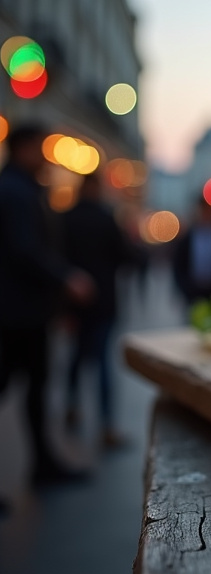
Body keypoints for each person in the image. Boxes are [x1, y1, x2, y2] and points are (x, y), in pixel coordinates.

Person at [0, 124, 94, 485]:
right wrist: (66, 278)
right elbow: (25, 250)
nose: (46, 156)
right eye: (41, 148)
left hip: (23, 311)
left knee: (36, 390)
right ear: (23, 148)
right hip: (16, 313)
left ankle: (43, 464)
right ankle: (43, 465)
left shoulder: (21, 189)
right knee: (25, 387)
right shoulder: (15, 192)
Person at [61, 172, 134, 447]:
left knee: (76, 357)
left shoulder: (66, 218)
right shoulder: (106, 218)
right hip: (104, 302)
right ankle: (106, 424)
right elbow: (125, 256)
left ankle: (72, 405)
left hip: (75, 304)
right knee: (102, 362)